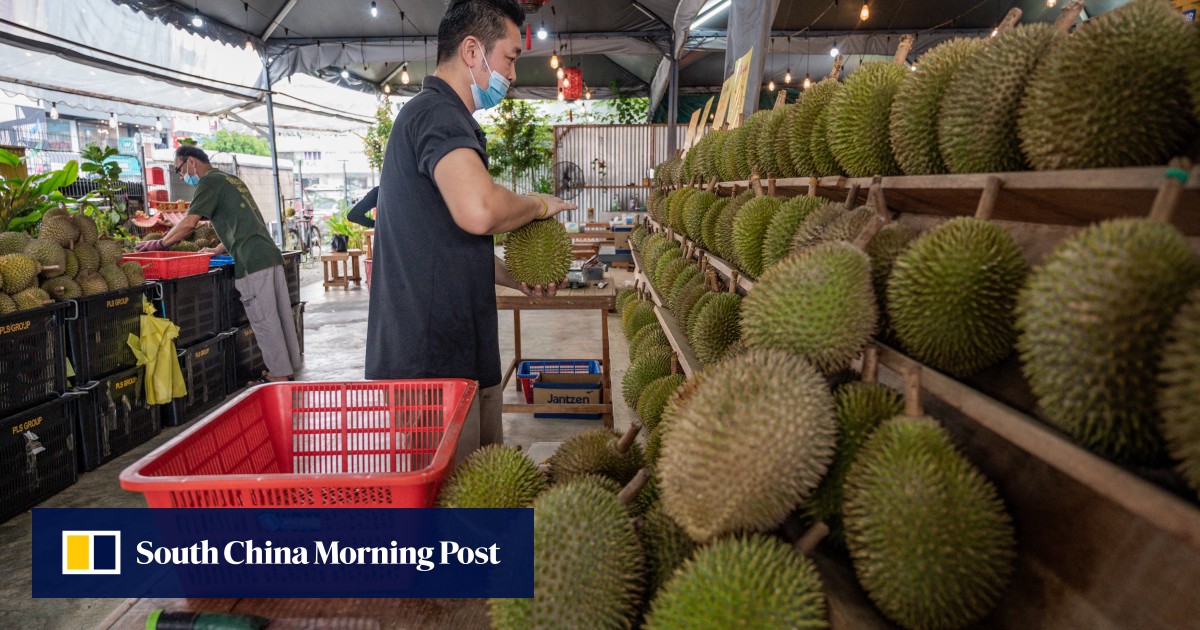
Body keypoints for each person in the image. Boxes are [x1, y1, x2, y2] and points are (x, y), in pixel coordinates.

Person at [366, 0, 576, 455]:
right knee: (452, 511)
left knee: (477, 492)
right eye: (510, 58)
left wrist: (516, 278)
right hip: (429, 366)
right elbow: (480, 211)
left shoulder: (446, 118)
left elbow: (456, 243)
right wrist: (538, 204)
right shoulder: (435, 114)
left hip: (456, 351)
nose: (513, 75)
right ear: (471, 50)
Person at [137, 146, 302, 383]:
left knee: (264, 320)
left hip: (252, 259)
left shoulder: (209, 182)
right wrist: (217, 249)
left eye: (179, 170)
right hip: (269, 254)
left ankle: (279, 377)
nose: (182, 176)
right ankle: (288, 368)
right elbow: (241, 222)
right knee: (281, 315)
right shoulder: (231, 180)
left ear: (191, 162)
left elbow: (189, 224)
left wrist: (160, 244)